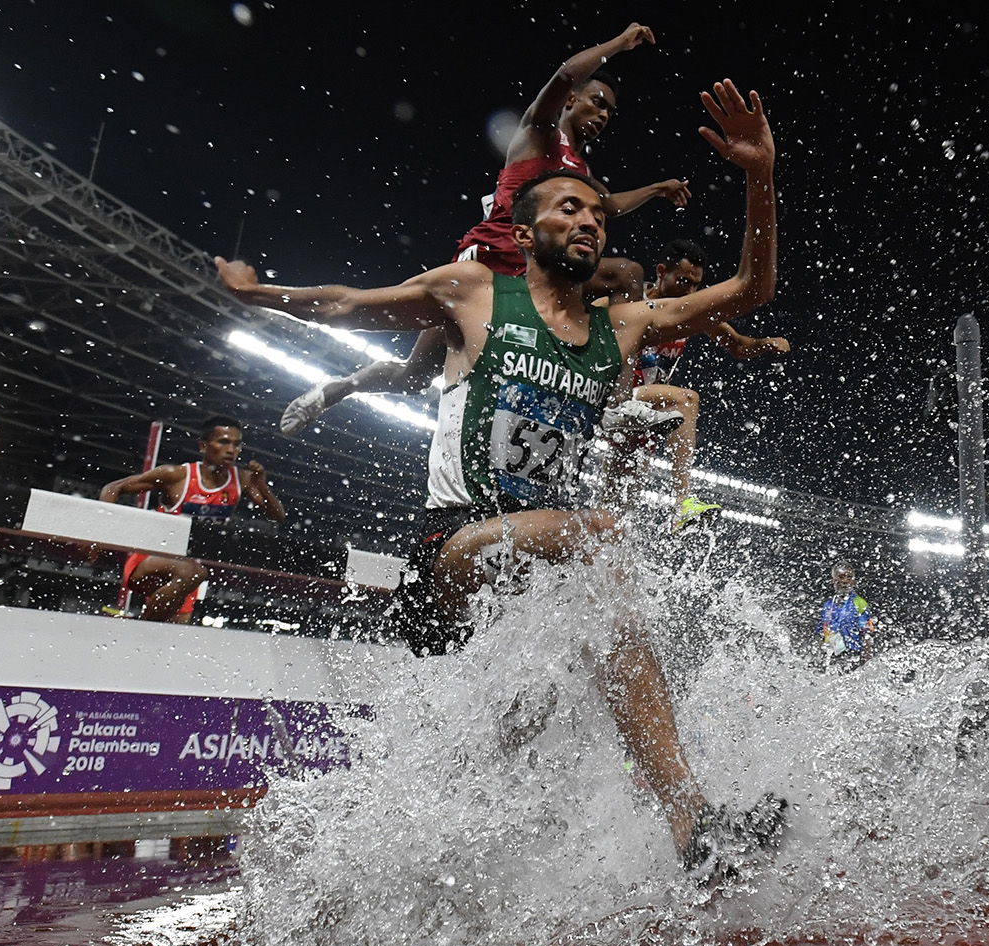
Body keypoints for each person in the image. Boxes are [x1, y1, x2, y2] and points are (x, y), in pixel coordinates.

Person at [217, 80, 784, 881]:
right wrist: (259, 295)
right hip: (450, 557)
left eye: (595, 213)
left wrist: (760, 174)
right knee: (603, 537)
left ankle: (692, 825)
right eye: (566, 211)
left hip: (534, 584)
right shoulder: (476, 291)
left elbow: (750, 292)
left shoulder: (622, 326)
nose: (587, 220)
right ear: (524, 230)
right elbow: (350, 302)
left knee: (609, 619)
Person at [279, 22, 690, 438]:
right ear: (570, 101)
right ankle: (339, 388)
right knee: (414, 377)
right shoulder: (539, 135)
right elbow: (566, 73)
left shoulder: (581, 173)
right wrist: (619, 45)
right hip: (487, 268)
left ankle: (617, 405)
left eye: (609, 112)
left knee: (626, 276)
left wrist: (657, 189)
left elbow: (610, 205)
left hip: (537, 274)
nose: (602, 116)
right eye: (597, 103)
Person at [602, 239, 791, 532]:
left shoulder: (689, 311)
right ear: (662, 272)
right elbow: (577, 318)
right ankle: (682, 504)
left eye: (695, 285)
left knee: (614, 517)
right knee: (685, 401)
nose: (689, 291)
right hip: (618, 400)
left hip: (645, 418)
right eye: (683, 281)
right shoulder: (628, 302)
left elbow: (737, 345)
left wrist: (764, 344)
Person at [99, 416, 286, 623]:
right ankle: (139, 628)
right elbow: (113, 488)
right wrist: (98, 536)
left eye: (236, 444)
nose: (231, 449)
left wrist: (262, 486)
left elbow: (277, 516)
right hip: (150, 562)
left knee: (173, 634)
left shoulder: (242, 479)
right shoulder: (177, 475)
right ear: (204, 446)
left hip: (186, 575)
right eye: (223, 442)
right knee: (194, 572)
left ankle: (140, 630)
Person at [815, 561, 876, 673]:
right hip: (831, 657)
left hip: (852, 657)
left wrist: (865, 665)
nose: (845, 581)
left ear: (853, 581)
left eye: (849, 577)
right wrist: (819, 660)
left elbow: (867, 635)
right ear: (833, 579)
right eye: (841, 577)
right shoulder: (828, 605)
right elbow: (822, 634)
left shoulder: (860, 603)